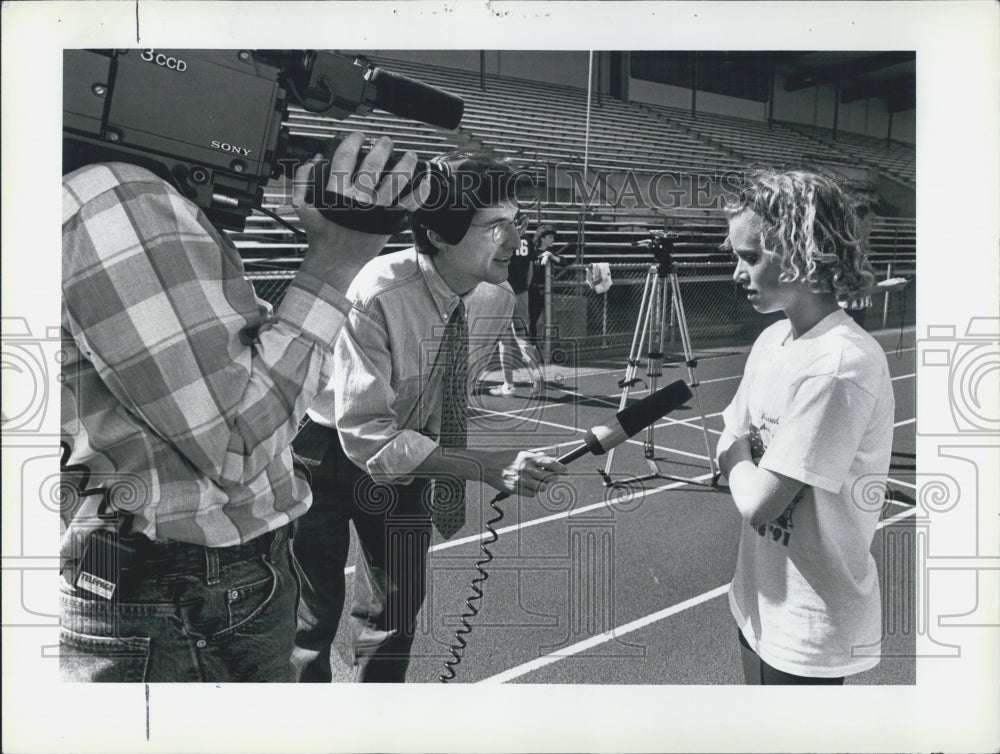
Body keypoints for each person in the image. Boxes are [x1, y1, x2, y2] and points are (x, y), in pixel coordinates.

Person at [59, 133, 426, 682]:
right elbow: (232, 438)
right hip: (182, 589)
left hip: (136, 567)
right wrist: (335, 263)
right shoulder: (111, 198)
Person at [290, 152, 568, 682]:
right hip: (324, 451)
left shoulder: (498, 297)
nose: (516, 241)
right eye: (495, 227)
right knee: (311, 618)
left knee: (396, 612)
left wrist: (451, 465)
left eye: (519, 223)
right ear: (439, 235)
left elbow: (451, 398)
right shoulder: (376, 291)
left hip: (412, 446)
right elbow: (367, 435)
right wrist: (483, 465)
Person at [715, 168, 895, 685]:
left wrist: (738, 456)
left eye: (750, 257)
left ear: (801, 251)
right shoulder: (771, 340)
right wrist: (738, 455)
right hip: (756, 594)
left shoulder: (842, 363)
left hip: (811, 616)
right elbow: (731, 438)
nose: (736, 272)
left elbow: (758, 501)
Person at [489, 218, 545, 397]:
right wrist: (525, 289)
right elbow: (529, 268)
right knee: (522, 336)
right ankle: (535, 376)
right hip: (521, 291)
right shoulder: (526, 241)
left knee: (504, 340)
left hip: (503, 290)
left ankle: (509, 384)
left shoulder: (502, 237)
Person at [526, 224, 569, 346]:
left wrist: (550, 255)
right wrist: (542, 255)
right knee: (532, 321)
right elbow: (533, 259)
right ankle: (532, 347)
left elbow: (564, 262)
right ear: (542, 238)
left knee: (550, 320)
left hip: (546, 290)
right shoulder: (532, 251)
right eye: (549, 237)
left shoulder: (551, 252)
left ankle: (550, 347)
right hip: (533, 290)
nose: (552, 240)